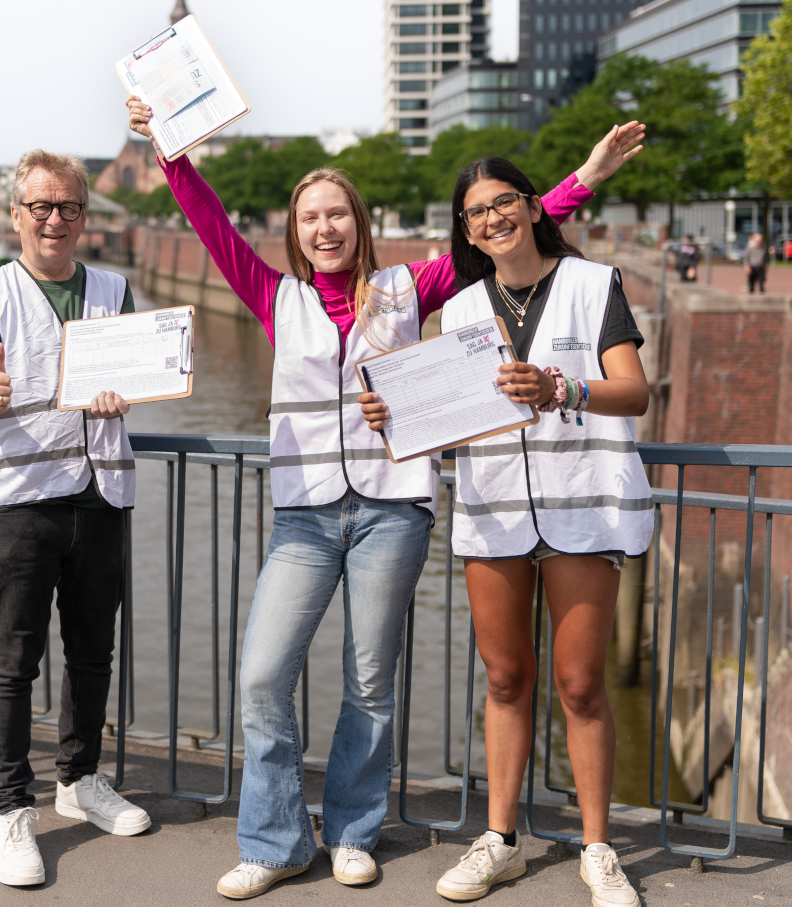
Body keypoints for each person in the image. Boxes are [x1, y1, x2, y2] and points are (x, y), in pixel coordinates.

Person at [127, 98, 643, 900]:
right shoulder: (274, 296)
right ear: (295, 233)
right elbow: (211, 224)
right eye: (309, 218)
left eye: (337, 214)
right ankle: (274, 839)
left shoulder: (406, 290)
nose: (324, 229)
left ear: (359, 224)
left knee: (370, 679)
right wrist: (169, 150)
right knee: (263, 673)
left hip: (392, 510)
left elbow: (498, 229)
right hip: (304, 512)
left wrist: (582, 178)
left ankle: (354, 832)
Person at [367, 156, 651, 906]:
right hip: (493, 509)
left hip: (583, 507)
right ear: (465, 230)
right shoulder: (460, 311)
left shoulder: (594, 284)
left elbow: (636, 393)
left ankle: (598, 847)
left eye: (504, 203)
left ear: (531, 207)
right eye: (476, 212)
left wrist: (565, 387)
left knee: (581, 683)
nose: (492, 218)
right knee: (504, 678)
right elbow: (452, 427)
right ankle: (498, 839)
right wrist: (396, 417)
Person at [0, 149, 151, 888]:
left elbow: (138, 371)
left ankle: (80, 777)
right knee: (14, 659)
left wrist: (125, 390)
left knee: (93, 650)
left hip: (100, 496)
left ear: (86, 216)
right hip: (18, 501)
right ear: (16, 215)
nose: (55, 219)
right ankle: (9, 810)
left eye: (68, 206)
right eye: (41, 206)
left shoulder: (114, 287)